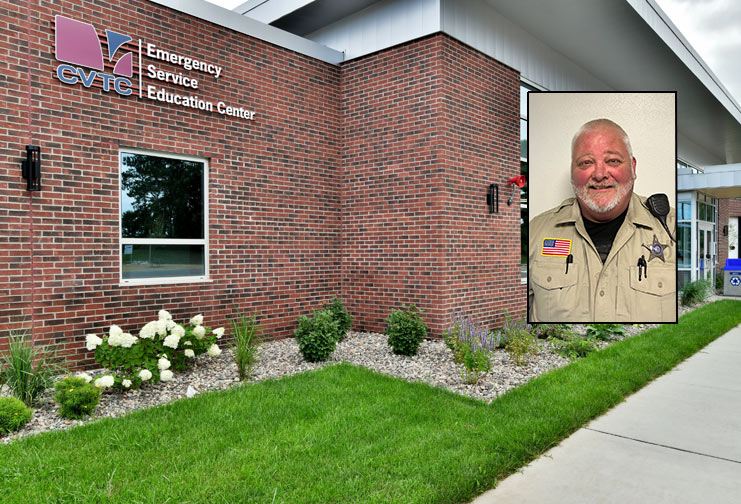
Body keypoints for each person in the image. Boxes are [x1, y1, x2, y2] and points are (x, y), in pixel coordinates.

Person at [528, 118, 676, 322]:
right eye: (586, 162)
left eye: (613, 161)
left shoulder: (673, 228)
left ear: (633, 167)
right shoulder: (536, 231)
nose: (599, 174)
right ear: (573, 171)